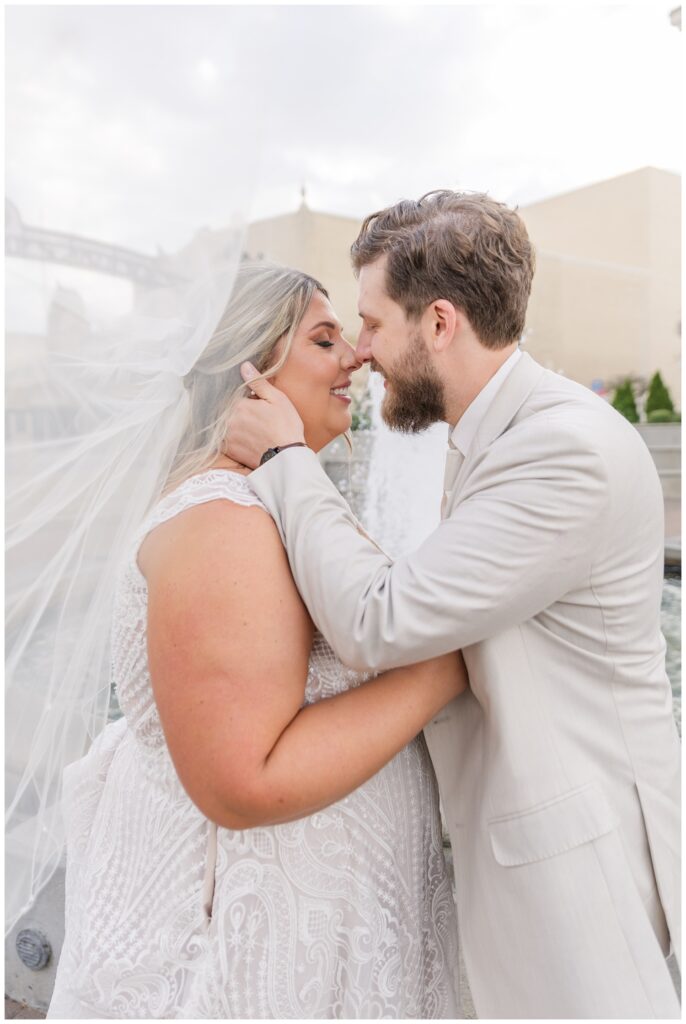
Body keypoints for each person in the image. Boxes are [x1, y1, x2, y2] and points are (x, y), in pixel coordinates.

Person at [225, 191, 682, 1019]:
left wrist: (289, 459)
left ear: (439, 324)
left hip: (583, 886)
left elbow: (376, 623)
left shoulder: (561, 450)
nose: (362, 355)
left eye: (370, 323)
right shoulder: (499, 429)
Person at [46, 263, 465, 1019]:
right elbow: (244, 779)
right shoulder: (223, 523)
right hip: (257, 948)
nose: (355, 358)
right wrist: (448, 666)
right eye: (324, 340)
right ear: (251, 368)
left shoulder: (261, 499)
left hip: (319, 925)